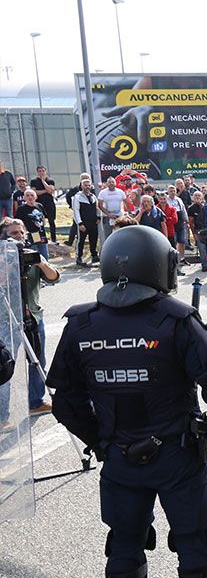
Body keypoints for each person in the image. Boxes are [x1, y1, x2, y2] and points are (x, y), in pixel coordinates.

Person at [45, 226, 207, 578]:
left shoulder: (81, 323)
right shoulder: (176, 319)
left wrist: (101, 440)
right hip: (177, 455)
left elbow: (63, 399)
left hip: (120, 457)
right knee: (196, 541)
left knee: (123, 543)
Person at [0, 218, 58, 416]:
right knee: (6, 365)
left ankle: (36, 401)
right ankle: (2, 414)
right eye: (14, 233)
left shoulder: (31, 255)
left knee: (37, 360)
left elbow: (54, 277)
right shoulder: (1, 258)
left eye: (21, 232)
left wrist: (41, 263)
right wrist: (6, 270)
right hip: (7, 319)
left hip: (33, 316)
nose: (19, 237)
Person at [72, 177, 100, 266]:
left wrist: (98, 217)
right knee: (81, 241)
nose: (87, 187)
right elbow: (76, 211)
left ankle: (94, 256)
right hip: (83, 223)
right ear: (81, 186)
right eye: (85, 185)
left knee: (94, 239)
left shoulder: (93, 196)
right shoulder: (77, 197)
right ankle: (79, 258)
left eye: (89, 185)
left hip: (93, 223)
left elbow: (97, 208)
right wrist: (80, 223)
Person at [15, 189, 49, 260]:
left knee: (44, 256)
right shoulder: (21, 209)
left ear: (35, 197)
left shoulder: (39, 206)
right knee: (32, 257)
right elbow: (19, 223)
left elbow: (44, 217)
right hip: (30, 235)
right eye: (27, 195)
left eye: (32, 195)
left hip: (41, 234)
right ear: (24, 198)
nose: (30, 197)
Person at [97, 176, 129, 246]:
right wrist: (108, 214)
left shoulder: (120, 192)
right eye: (109, 182)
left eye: (112, 182)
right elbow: (100, 205)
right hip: (107, 217)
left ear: (115, 183)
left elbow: (126, 203)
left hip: (119, 216)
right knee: (108, 236)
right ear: (107, 184)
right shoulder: (102, 193)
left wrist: (128, 213)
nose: (111, 183)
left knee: (121, 235)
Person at [30, 166, 57, 243]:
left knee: (51, 221)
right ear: (37, 172)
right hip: (38, 204)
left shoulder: (50, 180)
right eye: (39, 171)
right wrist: (46, 190)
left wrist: (43, 181)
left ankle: (53, 239)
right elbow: (34, 193)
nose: (41, 172)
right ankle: (38, 239)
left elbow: (51, 190)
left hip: (49, 203)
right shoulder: (34, 181)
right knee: (37, 221)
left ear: (45, 171)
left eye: (43, 171)